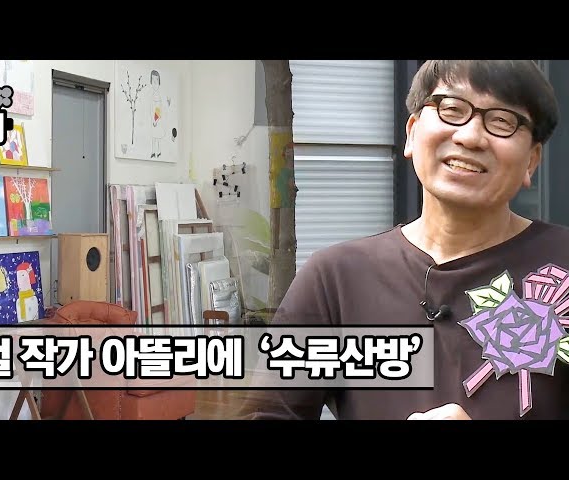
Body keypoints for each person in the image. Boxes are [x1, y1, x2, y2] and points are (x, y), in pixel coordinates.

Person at [240, 60, 569, 420]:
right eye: (452, 109)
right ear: (411, 133)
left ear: (531, 161)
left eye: (502, 121)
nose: (471, 137)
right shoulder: (336, 278)